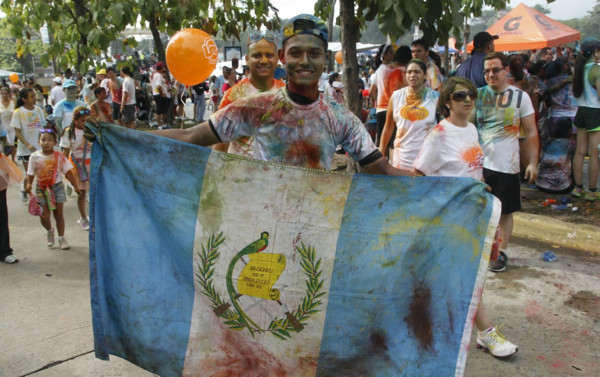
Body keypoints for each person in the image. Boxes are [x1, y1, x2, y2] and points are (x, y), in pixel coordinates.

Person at [151, 14, 412, 177]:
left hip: (315, 232)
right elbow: (190, 136)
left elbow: (383, 169)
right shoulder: (254, 108)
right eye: (296, 53)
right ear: (283, 58)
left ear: (325, 59)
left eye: (314, 53)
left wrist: (438, 187)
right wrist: (119, 135)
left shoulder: (341, 119)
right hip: (260, 223)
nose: (305, 61)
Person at [413, 77, 518, 358]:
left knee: (452, 279)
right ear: (447, 101)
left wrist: (485, 199)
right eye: (460, 96)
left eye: (471, 94)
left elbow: (475, 170)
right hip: (447, 221)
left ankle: (426, 328)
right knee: (466, 278)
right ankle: (486, 333)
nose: (468, 100)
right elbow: (418, 179)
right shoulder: (438, 136)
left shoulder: (471, 129)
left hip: (474, 216)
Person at [473, 52, 539, 272]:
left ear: (506, 70)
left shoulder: (520, 97)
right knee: (477, 210)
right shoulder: (476, 96)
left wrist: (532, 163)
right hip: (478, 165)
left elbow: (530, 133)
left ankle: (501, 252)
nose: (490, 75)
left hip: (507, 165)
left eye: (495, 70)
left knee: (505, 212)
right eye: (486, 71)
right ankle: (478, 250)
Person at [212, 31, 286, 157]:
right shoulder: (234, 95)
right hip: (240, 173)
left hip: (275, 173)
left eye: (269, 55)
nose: (263, 60)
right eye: (257, 55)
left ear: (277, 58)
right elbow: (221, 145)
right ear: (247, 59)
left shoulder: (285, 92)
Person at [379, 59, 440, 171]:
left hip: (426, 159)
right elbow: (388, 126)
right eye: (409, 72)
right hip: (401, 158)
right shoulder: (396, 97)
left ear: (424, 75)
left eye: (417, 72)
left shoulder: (435, 98)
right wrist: (381, 151)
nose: (412, 75)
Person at [26, 128, 81, 250]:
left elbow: (67, 172)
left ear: (55, 142)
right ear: (38, 141)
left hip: (57, 188)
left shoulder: (59, 156)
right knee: (44, 216)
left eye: (50, 140)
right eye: (43, 140)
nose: (46, 142)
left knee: (58, 214)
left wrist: (76, 186)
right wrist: (28, 184)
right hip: (41, 189)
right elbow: (30, 173)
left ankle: (61, 238)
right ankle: (49, 231)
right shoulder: (34, 157)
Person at [572, 38, 600, 201]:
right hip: (595, 113)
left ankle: (578, 188)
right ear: (595, 51)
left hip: (581, 112)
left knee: (580, 152)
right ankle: (592, 190)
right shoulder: (595, 70)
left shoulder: (578, 69)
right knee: (594, 153)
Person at [11, 87, 47, 202]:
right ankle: (26, 189)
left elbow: (44, 126)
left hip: (40, 147)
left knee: (42, 171)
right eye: (31, 96)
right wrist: (27, 144)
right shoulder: (18, 112)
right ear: (24, 99)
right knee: (30, 172)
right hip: (26, 149)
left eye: (34, 96)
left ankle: (43, 194)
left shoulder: (39, 110)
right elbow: (17, 131)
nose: (34, 98)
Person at [60, 106, 92, 230]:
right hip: (77, 166)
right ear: (75, 120)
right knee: (82, 193)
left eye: (87, 120)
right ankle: (83, 218)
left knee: (94, 192)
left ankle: (94, 216)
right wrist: (64, 170)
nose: (85, 123)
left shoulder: (91, 130)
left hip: (91, 164)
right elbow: (65, 153)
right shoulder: (69, 132)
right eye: (82, 121)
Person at [369, 44, 405, 151]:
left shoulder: (379, 70)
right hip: (396, 109)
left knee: (382, 140)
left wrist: (379, 101)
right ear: (384, 55)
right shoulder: (400, 69)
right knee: (394, 139)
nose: (393, 54)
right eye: (390, 52)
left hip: (382, 109)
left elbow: (372, 91)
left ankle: (383, 163)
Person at [535, 117, 576, 194]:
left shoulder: (547, 142)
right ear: (570, 130)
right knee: (575, 159)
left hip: (541, 185)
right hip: (562, 187)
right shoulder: (570, 144)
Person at [151, 62, 171, 129]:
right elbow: (158, 86)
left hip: (158, 94)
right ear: (161, 68)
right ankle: (160, 126)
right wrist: (162, 94)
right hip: (159, 95)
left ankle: (164, 125)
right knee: (159, 111)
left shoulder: (156, 75)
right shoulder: (158, 76)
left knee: (163, 111)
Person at [0, 87, 15, 159]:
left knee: (12, 143)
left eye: (6, 93)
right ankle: (6, 159)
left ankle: (13, 159)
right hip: (2, 127)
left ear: (9, 94)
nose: (4, 95)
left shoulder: (13, 102)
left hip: (12, 126)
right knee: (5, 144)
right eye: (3, 93)